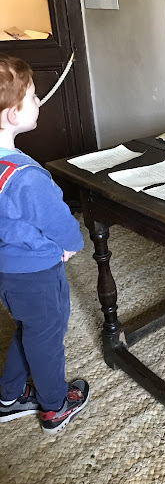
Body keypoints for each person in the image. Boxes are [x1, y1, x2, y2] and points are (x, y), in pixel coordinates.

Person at [0, 55, 89, 435]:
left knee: (29, 328)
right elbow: (58, 221)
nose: (40, 102)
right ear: (11, 116)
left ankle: (7, 395)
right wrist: (70, 245)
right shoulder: (26, 177)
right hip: (35, 271)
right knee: (47, 334)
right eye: (34, 97)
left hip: (7, 271)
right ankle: (54, 405)